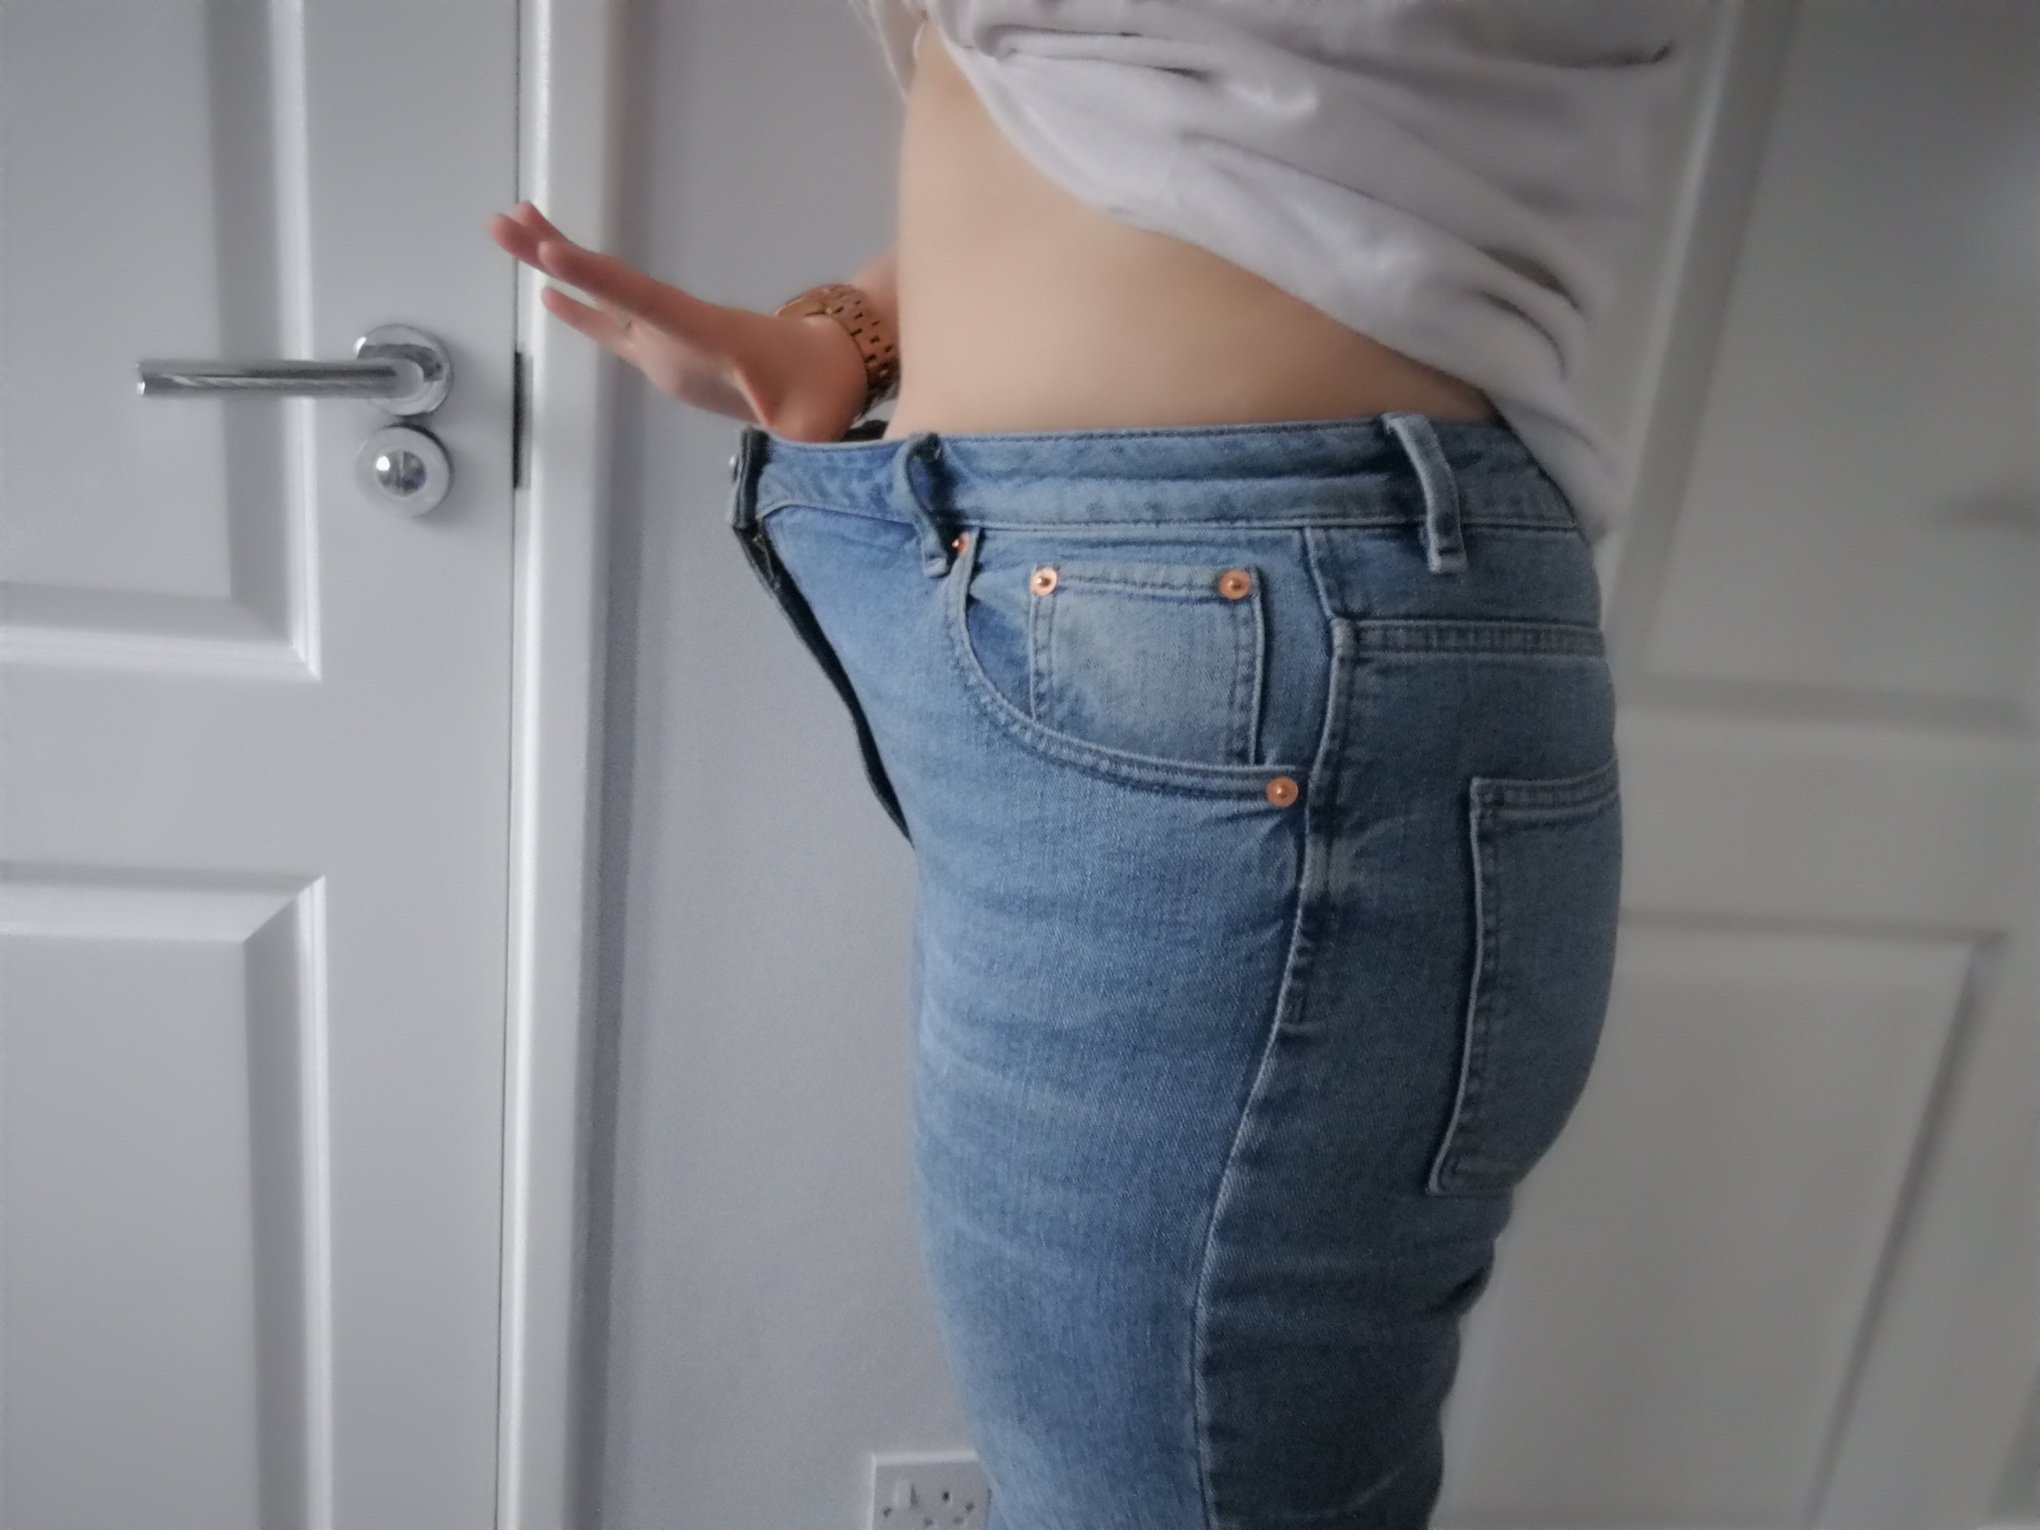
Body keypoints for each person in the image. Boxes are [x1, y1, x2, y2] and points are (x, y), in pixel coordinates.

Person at [491, 3, 1697, 1524]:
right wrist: (849, 330)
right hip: (1133, 626)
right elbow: (1155, 132)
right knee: (1114, 1468)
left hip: (1242, 631)